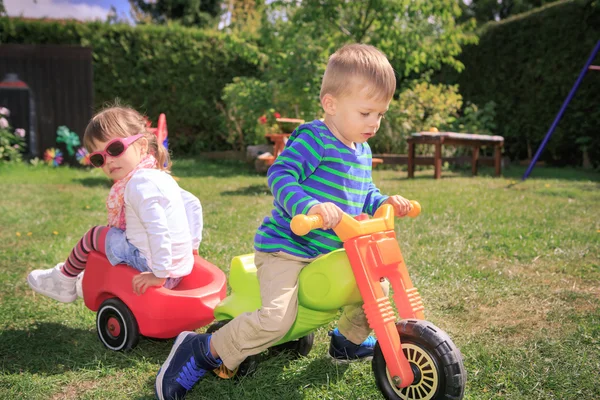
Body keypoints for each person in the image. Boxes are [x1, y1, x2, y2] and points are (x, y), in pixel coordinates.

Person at [154, 43, 412, 400]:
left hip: (330, 250)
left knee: (374, 289)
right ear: (331, 104)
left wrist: (383, 201)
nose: (374, 123)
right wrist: (310, 205)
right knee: (277, 320)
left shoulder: (362, 149)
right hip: (288, 249)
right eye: (366, 112)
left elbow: (363, 191)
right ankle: (204, 349)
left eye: (380, 115)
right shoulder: (315, 139)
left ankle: (346, 343)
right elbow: (280, 175)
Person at [27, 105, 202, 302]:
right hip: (179, 269)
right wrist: (192, 247)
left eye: (115, 148)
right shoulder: (159, 176)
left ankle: (64, 279)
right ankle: (89, 278)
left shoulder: (139, 185)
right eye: (99, 158)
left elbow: (158, 230)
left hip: (154, 269)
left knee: (95, 235)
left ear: (142, 145)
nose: (108, 160)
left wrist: (158, 275)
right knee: (117, 237)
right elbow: (193, 204)